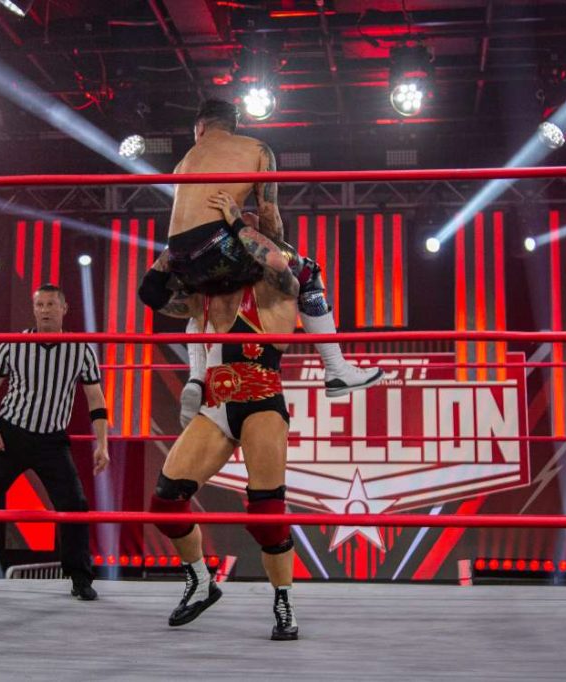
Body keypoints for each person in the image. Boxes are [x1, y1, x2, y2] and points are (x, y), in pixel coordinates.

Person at [139, 98, 382, 407]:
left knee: (201, 296)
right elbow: (269, 214)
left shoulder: (182, 162)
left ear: (199, 128)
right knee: (307, 272)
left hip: (175, 255)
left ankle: (197, 379)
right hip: (218, 246)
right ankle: (337, 369)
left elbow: (188, 222)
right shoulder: (256, 149)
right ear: (233, 125)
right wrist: (264, 241)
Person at [148, 191, 300, 640]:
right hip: (216, 407)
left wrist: (235, 219)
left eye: (243, 234)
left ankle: (284, 601)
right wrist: (174, 249)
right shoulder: (204, 300)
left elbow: (275, 261)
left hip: (262, 403)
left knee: (265, 512)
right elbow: (150, 294)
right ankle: (200, 580)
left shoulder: (276, 289)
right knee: (166, 502)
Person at [0, 284, 110, 600]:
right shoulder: (14, 344)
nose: (45, 310)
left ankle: (80, 578)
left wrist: (102, 444)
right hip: (11, 436)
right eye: (40, 305)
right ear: (34, 309)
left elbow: (96, 398)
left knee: (75, 506)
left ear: (64, 308)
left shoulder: (80, 349)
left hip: (52, 441)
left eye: (51, 304)